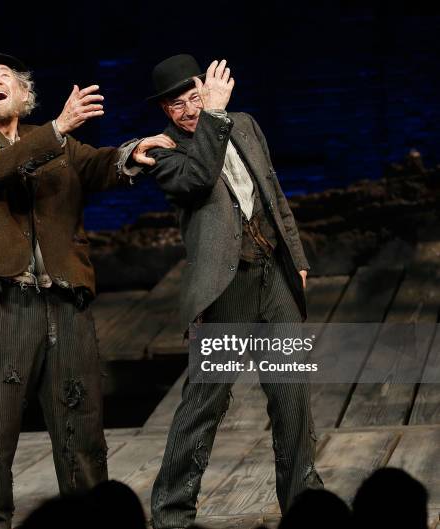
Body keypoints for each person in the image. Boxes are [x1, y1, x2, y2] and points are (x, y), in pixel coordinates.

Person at [0, 51, 174, 529]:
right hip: (3, 301)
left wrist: (133, 152)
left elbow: (101, 165)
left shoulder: (61, 144)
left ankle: (93, 520)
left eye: (6, 76)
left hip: (65, 300)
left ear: (24, 96)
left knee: (81, 419)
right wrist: (57, 129)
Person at [143, 54, 324, 529]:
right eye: (176, 104)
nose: (187, 108)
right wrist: (214, 116)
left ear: (206, 88)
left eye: (194, 96)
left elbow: (273, 193)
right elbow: (199, 179)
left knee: (291, 394)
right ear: (165, 111)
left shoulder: (245, 124)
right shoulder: (166, 152)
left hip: (274, 274)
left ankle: (304, 503)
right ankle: (172, 512)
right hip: (227, 285)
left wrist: (298, 261)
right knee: (206, 401)